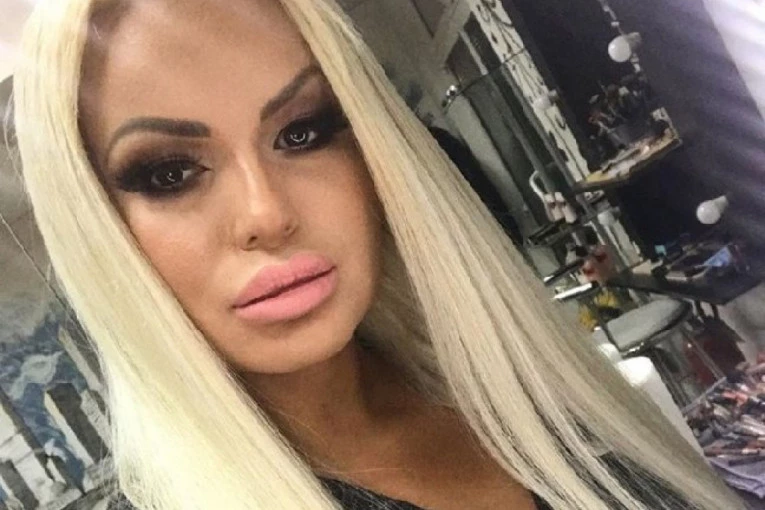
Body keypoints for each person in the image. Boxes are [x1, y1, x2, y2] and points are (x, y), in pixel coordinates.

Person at [12, 0, 742, 509]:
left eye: (302, 133)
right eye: (169, 174)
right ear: (96, 227)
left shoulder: (501, 386)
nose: (266, 214)